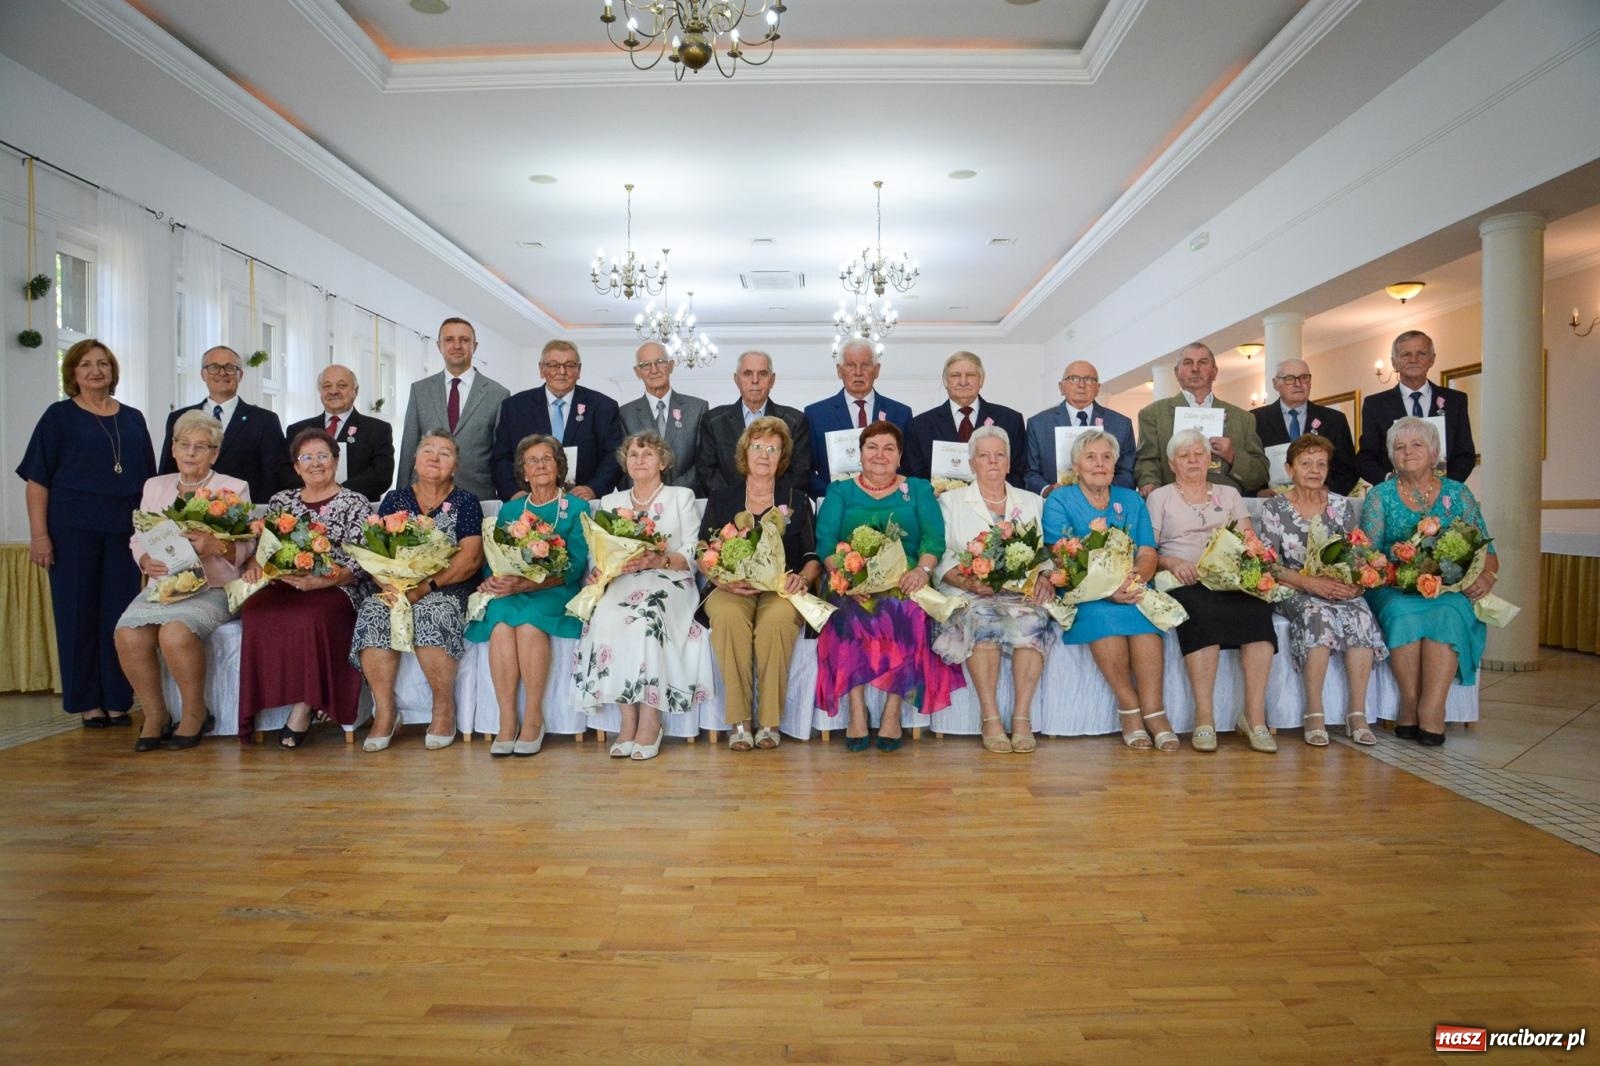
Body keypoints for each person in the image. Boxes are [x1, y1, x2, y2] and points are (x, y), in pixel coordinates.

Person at [17, 339, 157, 727]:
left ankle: (117, 698)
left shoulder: (132, 418)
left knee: (120, 617)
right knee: (77, 615)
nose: (96, 371)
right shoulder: (57, 417)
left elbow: (149, 485)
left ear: (112, 371)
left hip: (122, 532)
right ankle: (87, 702)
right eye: (86, 365)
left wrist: (151, 539)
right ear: (73, 374)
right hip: (70, 530)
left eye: (103, 364)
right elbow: (36, 481)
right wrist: (39, 535)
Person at [815, 422, 965, 751]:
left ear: (899, 456)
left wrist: (923, 571)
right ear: (860, 453)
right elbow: (826, 543)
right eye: (872, 447)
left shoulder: (919, 488)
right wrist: (847, 579)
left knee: (907, 612)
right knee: (847, 615)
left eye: (888, 449)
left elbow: (933, 538)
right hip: (851, 580)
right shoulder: (840, 490)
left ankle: (891, 712)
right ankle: (856, 711)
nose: (880, 455)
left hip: (904, 578)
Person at [115, 411, 252, 751]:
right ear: (173, 449)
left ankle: (195, 712)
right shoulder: (155, 486)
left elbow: (249, 544)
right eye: (184, 445)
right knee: (128, 634)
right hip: (162, 585)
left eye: (201, 447)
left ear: (214, 454)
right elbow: (138, 538)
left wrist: (215, 545)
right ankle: (155, 715)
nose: (191, 453)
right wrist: (145, 559)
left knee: (175, 633)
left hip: (212, 586)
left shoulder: (233, 488)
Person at [573, 432, 715, 760]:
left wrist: (661, 559)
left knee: (648, 614)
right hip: (623, 580)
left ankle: (651, 720)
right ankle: (627, 721)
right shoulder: (611, 503)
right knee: (607, 614)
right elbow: (600, 550)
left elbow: (695, 548)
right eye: (633, 455)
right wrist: (600, 571)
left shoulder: (681, 496)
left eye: (648, 454)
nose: (639, 460)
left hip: (670, 578)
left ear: (663, 462)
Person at [1360, 416, 1498, 746]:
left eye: (1417, 445)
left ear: (1434, 452)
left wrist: (1486, 576)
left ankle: (1433, 708)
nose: (1407, 453)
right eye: (1399, 447)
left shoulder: (1458, 493)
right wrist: (1395, 566)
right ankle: (1409, 704)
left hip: (1447, 591)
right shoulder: (1380, 496)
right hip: (1395, 587)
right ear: (1391, 455)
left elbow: (1487, 551)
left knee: (1448, 612)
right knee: (1402, 613)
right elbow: (1368, 554)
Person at [1147, 428, 1279, 753]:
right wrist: (1172, 562)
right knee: (1200, 610)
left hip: (1229, 577)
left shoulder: (1229, 494)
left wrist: (1254, 561)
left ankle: (1254, 718)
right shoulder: (1159, 497)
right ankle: (1204, 718)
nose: (1193, 460)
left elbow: (1249, 539)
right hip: (1184, 578)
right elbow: (1148, 550)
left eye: (1199, 453)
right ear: (1172, 462)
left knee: (1258, 610)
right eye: (1184, 455)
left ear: (1211, 459)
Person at [352, 432, 485, 752]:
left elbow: (470, 559)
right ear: (414, 459)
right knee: (374, 610)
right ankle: (385, 712)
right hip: (397, 586)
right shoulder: (395, 500)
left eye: (445, 453)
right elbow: (374, 549)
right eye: (428, 451)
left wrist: (426, 587)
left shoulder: (466, 501)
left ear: (455, 465)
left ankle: (443, 709)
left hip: (448, 587)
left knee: (432, 612)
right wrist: (388, 584)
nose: (435, 458)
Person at [236, 427, 370, 743]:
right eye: (306, 457)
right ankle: (260, 705)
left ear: (336, 461)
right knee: (255, 611)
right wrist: (257, 563)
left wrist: (323, 580)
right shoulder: (281, 501)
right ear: (296, 467)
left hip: (338, 586)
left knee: (311, 617)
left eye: (323, 456)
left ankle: (304, 706)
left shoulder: (355, 502)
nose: (315, 463)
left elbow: (362, 560)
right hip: (286, 584)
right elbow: (264, 546)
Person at [1041, 430, 1172, 751]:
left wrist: (1136, 579)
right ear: (1076, 464)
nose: (1099, 464)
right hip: (1085, 589)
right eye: (1091, 457)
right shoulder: (1060, 499)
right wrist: (1108, 588)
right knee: (1103, 617)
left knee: (1144, 625)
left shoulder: (1130, 499)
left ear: (1115, 463)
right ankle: (1129, 708)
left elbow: (1147, 551)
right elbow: (1061, 555)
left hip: (1132, 584)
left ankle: (1154, 712)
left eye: (1106, 457)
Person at [700, 416, 821, 752]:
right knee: (728, 619)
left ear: (782, 457)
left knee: (777, 622)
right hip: (730, 588)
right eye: (757, 447)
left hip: (781, 589)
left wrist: (803, 578)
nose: (764, 454)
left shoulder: (796, 499)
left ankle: (769, 722)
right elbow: (702, 551)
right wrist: (720, 579)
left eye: (773, 448)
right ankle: (739, 722)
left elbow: (812, 556)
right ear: (745, 453)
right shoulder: (722, 498)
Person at [1256, 434, 1385, 746]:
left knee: (1361, 615)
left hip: (1335, 586)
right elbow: (1268, 565)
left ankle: (1357, 712)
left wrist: (1353, 583)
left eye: (1320, 464)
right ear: (1289, 469)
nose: (1313, 470)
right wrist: (1309, 583)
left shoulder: (1341, 507)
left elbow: (1354, 553)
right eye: (1305, 463)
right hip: (1293, 587)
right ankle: (1314, 711)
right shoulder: (1274, 507)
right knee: (1318, 616)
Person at [466, 435, 591, 756]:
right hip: (513, 588)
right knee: (502, 624)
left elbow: (574, 567)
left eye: (546, 459)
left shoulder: (576, 508)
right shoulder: (511, 509)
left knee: (529, 624)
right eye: (532, 461)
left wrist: (529, 584)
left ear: (559, 466)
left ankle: (533, 718)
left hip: (556, 589)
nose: (540, 466)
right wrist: (492, 582)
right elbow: (497, 556)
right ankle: (507, 720)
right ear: (523, 471)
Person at [933, 427, 1055, 754]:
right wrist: (969, 581)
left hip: (1021, 592)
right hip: (971, 592)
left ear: (1009, 461)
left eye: (999, 455)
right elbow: (941, 553)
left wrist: (1044, 577)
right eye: (984, 455)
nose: (992, 461)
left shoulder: (1031, 502)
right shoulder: (950, 501)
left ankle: (1021, 718)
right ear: (971, 463)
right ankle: (990, 717)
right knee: (982, 619)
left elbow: (1045, 552)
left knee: (1035, 620)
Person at [492, 339, 622, 502]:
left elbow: (614, 454)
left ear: (579, 370)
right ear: (541, 369)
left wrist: (593, 488)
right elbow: (501, 457)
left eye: (569, 365)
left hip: (584, 501)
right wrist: (513, 492)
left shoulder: (603, 406)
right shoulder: (515, 407)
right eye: (553, 365)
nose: (562, 371)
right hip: (528, 501)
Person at [398, 317, 510, 502]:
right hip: (424, 495)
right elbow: (409, 445)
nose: (457, 345)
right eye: (449, 339)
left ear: (475, 346)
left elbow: (501, 454)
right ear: (439, 345)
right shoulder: (420, 390)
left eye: (464, 340)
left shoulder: (498, 394)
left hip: (477, 495)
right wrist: (401, 496)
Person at [1134, 342, 1269, 497]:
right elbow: (1146, 462)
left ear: (1214, 372)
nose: (1195, 369)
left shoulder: (1243, 418)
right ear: (1177, 372)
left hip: (1226, 512)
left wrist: (1233, 456)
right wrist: (1151, 487)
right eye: (1188, 363)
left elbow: (1261, 475)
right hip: (1173, 509)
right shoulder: (1153, 414)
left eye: (1203, 362)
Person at [159, 345, 284, 505]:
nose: (222, 373)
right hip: (185, 514)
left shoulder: (265, 421)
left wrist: (255, 516)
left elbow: (272, 476)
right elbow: (167, 470)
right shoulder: (178, 418)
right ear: (203, 374)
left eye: (230, 368)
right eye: (214, 367)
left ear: (240, 375)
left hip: (242, 514)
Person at [1356, 331, 1477, 485]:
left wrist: (1445, 486)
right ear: (1394, 362)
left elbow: (1465, 454)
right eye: (1406, 354)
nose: (1414, 360)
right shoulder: (1375, 404)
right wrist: (1391, 482)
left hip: (1444, 497)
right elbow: (1366, 457)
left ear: (1432, 359)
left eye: (1421, 353)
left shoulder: (1455, 401)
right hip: (1394, 498)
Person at [803, 338, 913, 498]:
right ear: (839, 370)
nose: (858, 372)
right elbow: (806, 472)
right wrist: (834, 495)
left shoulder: (900, 413)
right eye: (850, 365)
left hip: (888, 504)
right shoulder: (816, 414)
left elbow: (908, 467)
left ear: (877, 370)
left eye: (865, 365)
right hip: (835, 507)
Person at [696, 350, 812, 499]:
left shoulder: (795, 421)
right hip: (726, 508)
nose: (755, 380)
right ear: (736, 379)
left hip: (776, 510)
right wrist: (735, 501)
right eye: (748, 373)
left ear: (772, 380)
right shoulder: (713, 421)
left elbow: (800, 473)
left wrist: (763, 501)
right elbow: (706, 470)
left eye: (762, 374)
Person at [905, 351, 1027, 488]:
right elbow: (914, 478)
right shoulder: (920, 425)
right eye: (955, 375)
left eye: (970, 375)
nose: (963, 382)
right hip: (940, 506)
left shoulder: (1010, 420)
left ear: (981, 380)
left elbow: (1019, 474)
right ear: (946, 382)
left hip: (994, 507)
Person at [281, 364, 394, 501]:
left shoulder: (377, 429)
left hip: (358, 511)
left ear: (355, 391)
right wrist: (316, 493)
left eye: (342, 385)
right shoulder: (297, 430)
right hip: (307, 510)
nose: (333, 391)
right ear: (320, 391)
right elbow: (286, 473)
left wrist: (336, 494)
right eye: (327, 386)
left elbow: (381, 476)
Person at [1024, 359, 1136, 494]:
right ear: (1061, 387)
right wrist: (1049, 490)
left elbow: (1127, 473)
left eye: (1089, 379)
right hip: (1057, 504)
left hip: (1106, 504)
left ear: (1098, 388)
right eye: (1073, 379)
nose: (1081, 385)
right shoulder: (1038, 424)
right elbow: (1030, 473)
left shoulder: (1120, 424)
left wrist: (1102, 489)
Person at [616, 342, 708, 493]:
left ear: (671, 365)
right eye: (645, 365)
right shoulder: (625, 414)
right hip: (643, 501)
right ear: (637, 372)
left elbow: (704, 461)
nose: (654, 370)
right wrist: (647, 490)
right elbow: (622, 467)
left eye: (660, 362)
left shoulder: (697, 408)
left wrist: (674, 491)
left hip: (688, 497)